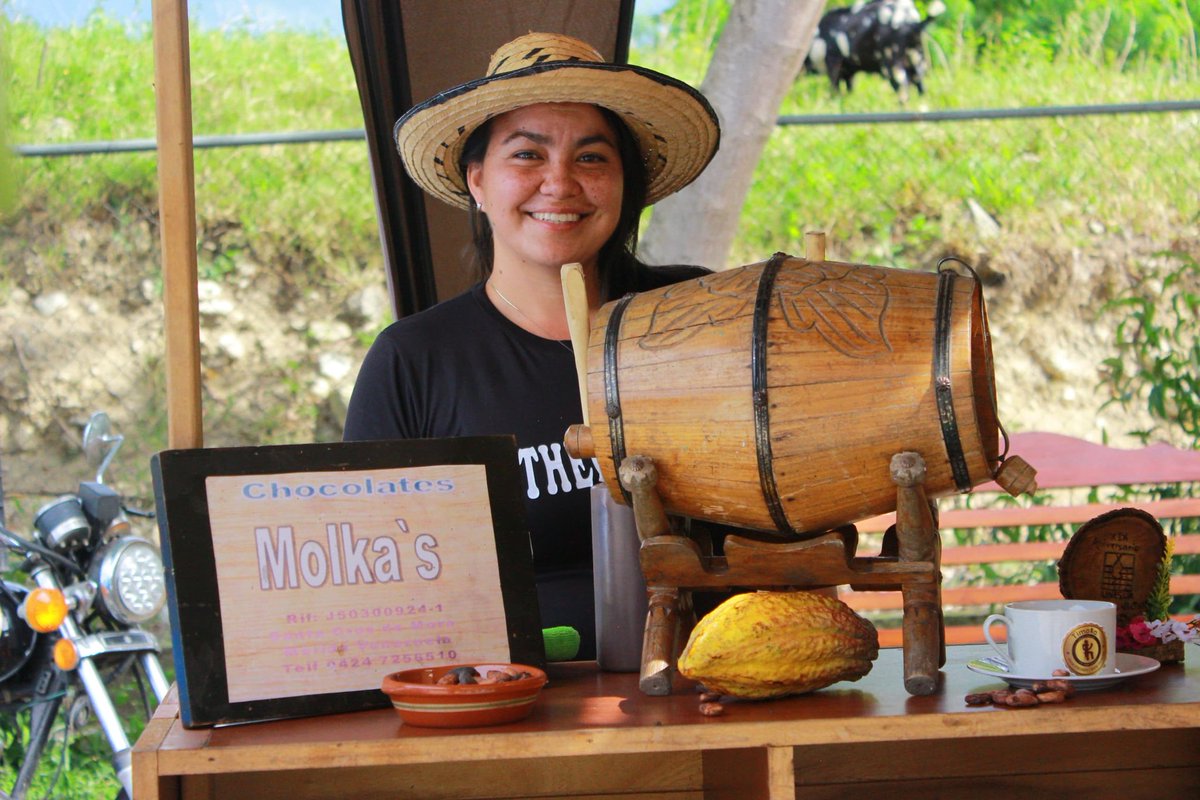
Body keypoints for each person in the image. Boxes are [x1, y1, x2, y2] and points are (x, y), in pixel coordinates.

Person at [343, 32, 721, 660]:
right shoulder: (414, 362)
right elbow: (374, 582)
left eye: (593, 158)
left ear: (624, 183)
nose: (560, 183)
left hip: (714, 683)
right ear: (477, 182)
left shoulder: (698, 318)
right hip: (508, 706)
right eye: (526, 155)